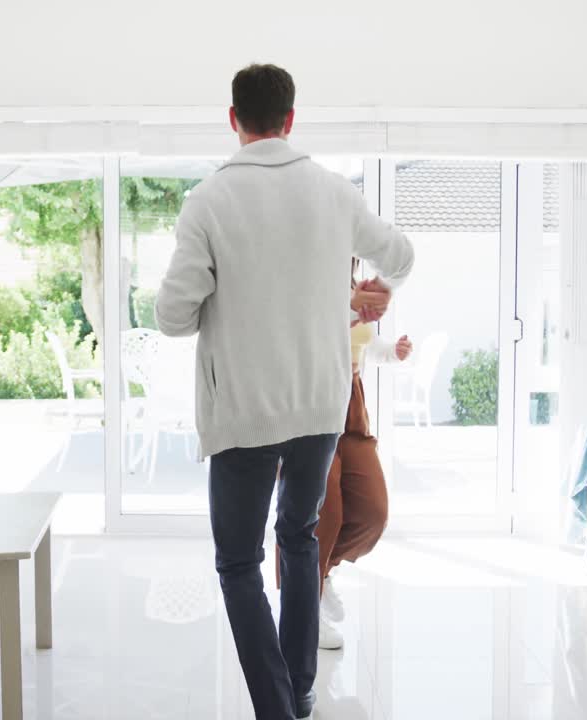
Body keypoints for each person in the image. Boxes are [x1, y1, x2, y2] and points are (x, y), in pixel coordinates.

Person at [155, 64, 414, 720]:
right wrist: (375, 288)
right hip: (318, 406)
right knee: (299, 538)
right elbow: (400, 255)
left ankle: (277, 706)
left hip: (244, 410)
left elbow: (172, 317)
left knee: (239, 563)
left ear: (234, 119)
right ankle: (298, 690)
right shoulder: (332, 191)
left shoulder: (208, 201)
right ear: (291, 120)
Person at [316, 261, 412, 650]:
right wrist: (354, 308)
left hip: (350, 398)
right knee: (324, 515)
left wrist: (394, 352)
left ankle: (319, 576)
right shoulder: (308, 280)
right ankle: (305, 607)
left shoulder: (353, 285)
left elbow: (366, 344)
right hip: (310, 398)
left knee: (372, 513)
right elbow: (312, 335)